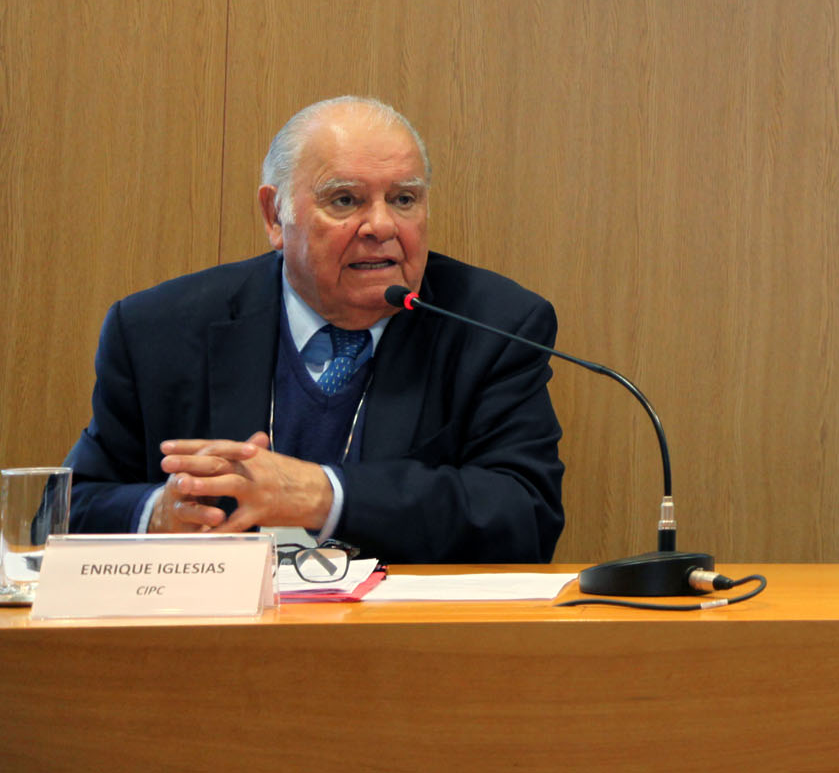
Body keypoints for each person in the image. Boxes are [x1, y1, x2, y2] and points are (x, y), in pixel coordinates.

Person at [64, 96, 564, 563]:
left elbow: (526, 514)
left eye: (404, 199)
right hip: (217, 622)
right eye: (345, 200)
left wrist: (324, 496)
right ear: (274, 215)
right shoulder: (159, 329)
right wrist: (160, 514)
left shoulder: (494, 326)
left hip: (404, 625)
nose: (382, 226)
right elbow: (73, 505)